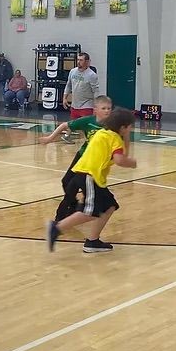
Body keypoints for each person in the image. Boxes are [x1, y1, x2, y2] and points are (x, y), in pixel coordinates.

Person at [46, 107, 138, 253]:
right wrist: (132, 163)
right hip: (90, 176)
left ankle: (92, 241)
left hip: (88, 175)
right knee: (90, 212)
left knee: (109, 206)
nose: (131, 129)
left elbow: (121, 152)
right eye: (130, 126)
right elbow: (120, 159)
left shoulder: (102, 133)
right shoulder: (113, 139)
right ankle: (57, 228)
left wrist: (125, 137)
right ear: (123, 127)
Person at [40, 95, 113, 191]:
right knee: (67, 182)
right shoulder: (88, 121)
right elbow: (64, 125)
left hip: (97, 160)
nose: (107, 111)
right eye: (103, 108)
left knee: (91, 185)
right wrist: (50, 138)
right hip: (83, 155)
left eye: (109, 108)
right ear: (95, 110)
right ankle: (75, 204)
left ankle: (95, 203)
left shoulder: (113, 125)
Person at [63, 52, 99, 120]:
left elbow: (96, 92)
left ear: (87, 62)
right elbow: (68, 85)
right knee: (74, 128)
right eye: (78, 60)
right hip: (74, 105)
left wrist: (95, 107)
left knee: (85, 128)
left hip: (87, 106)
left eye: (81, 60)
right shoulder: (72, 71)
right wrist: (65, 98)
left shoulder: (92, 75)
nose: (78, 62)